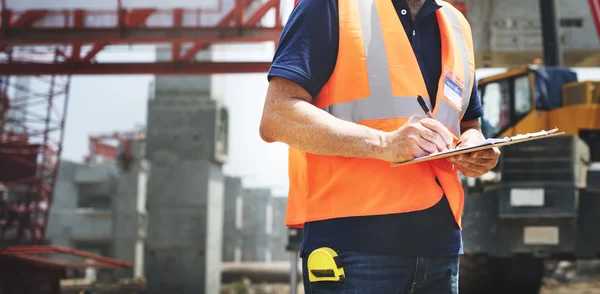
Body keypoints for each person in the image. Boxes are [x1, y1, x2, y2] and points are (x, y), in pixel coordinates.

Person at [259, 0, 501, 293]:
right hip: (355, 249)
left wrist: (474, 146)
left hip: (441, 249)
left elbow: (468, 124)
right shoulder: (330, 5)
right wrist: (384, 143)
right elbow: (278, 116)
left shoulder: (456, 24)